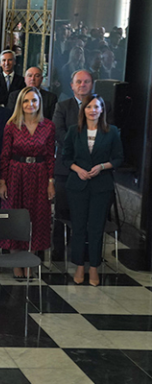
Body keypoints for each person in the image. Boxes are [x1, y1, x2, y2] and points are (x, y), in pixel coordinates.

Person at [62, 94, 122, 286]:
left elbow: (119, 158)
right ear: (84, 110)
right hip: (77, 185)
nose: (93, 110)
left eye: (97, 107)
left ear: (102, 110)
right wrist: (78, 170)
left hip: (101, 186)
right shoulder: (73, 131)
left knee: (96, 228)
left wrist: (102, 167)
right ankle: (79, 266)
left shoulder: (112, 131)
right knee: (79, 227)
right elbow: (66, 157)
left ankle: (94, 267)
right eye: (89, 107)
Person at [0, 86, 55, 279]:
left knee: (37, 217)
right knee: (14, 215)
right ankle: (16, 263)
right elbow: (4, 155)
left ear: (39, 103)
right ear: (20, 104)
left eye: (34, 101)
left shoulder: (48, 125)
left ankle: (29, 261)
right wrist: (2, 181)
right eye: (26, 101)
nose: (30, 104)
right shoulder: (11, 125)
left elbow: (50, 157)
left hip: (39, 175)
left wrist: (50, 181)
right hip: (16, 174)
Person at [52, 69, 95, 262]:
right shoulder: (62, 106)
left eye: (86, 82)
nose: (82, 85)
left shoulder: (100, 106)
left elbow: (105, 133)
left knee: (85, 213)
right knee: (62, 211)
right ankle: (58, 252)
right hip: (65, 168)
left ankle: (80, 252)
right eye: (78, 82)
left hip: (91, 170)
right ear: (72, 85)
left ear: (91, 85)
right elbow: (58, 133)